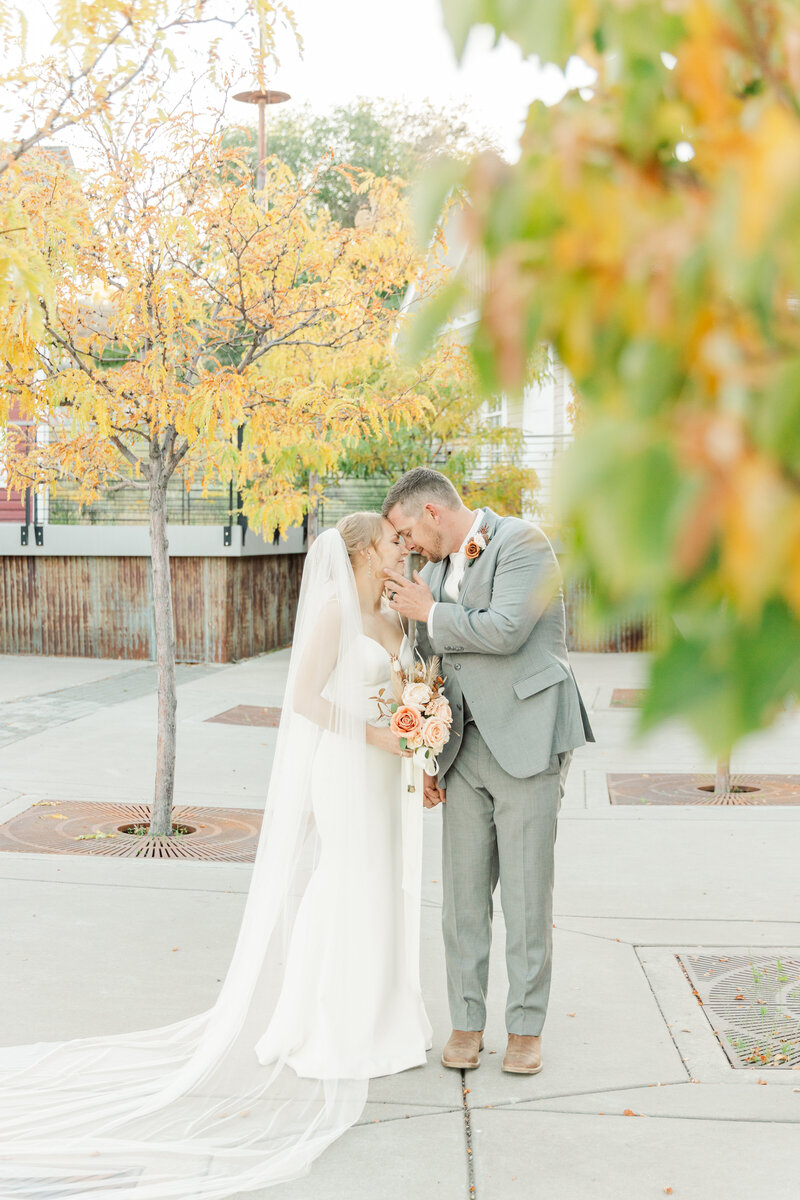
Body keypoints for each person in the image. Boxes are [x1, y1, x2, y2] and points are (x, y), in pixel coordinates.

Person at [0, 513, 431, 1199]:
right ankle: (325, 1019)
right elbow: (304, 700)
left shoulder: (392, 610)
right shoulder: (332, 612)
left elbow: (405, 686)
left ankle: (383, 1012)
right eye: (390, 542)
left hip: (386, 771)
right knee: (346, 880)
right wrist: (381, 739)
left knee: (382, 885)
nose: (400, 549)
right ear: (360, 551)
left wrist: (418, 720)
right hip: (348, 766)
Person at [383, 468, 594, 1076]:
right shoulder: (428, 573)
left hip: (527, 741)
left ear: (431, 512)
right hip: (461, 750)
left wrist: (430, 610)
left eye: (405, 532)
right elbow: (427, 661)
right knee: (462, 901)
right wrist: (427, 752)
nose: (407, 548)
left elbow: (504, 632)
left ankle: (525, 1028)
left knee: (528, 896)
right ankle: (466, 1024)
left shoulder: (524, 545)